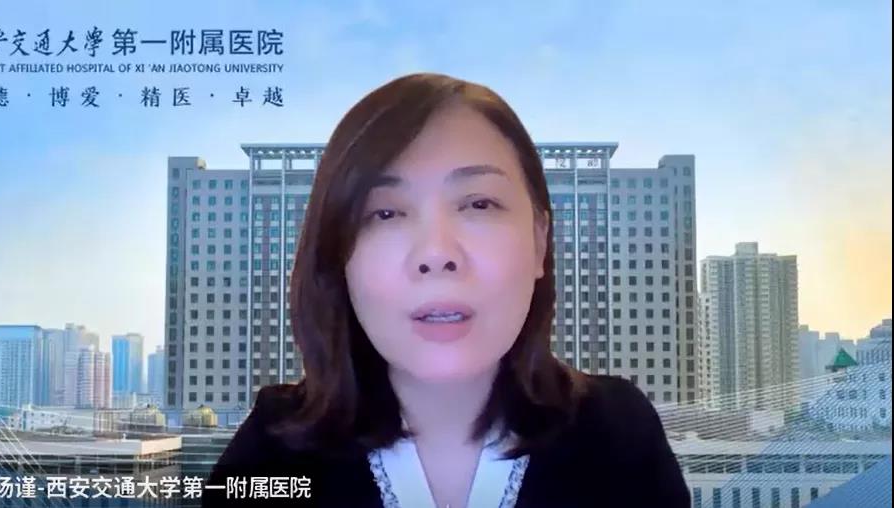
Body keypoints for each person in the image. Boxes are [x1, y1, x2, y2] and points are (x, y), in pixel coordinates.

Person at [204, 72, 691, 508]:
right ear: (337, 256)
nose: (437, 253)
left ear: (540, 240)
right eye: (385, 213)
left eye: (479, 204)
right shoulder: (270, 456)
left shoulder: (619, 434)